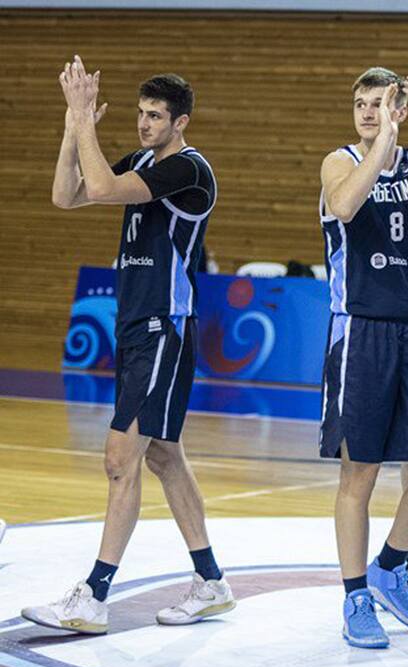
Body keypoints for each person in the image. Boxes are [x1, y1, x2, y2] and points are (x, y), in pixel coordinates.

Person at [25, 60, 232, 633]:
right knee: (163, 455)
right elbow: (66, 196)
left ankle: (93, 596)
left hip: (165, 327)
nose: (143, 125)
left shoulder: (189, 170)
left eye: (155, 116)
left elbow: (101, 188)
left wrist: (83, 124)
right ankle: (211, 581)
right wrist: (73, 126)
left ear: (180, 121)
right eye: (140, 114)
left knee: (121, 461)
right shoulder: (142, 159)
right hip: (135, 325)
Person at [318, 66, 408, 648]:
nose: (369, 111)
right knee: (361, 473)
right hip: (362, 331)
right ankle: (355, 596)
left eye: (380, 103)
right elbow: (346, 205)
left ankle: (390, 566)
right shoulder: (340, 159)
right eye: (361, 103)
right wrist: (382, 143)